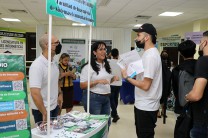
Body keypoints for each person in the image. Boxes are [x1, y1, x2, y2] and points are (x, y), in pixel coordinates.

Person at [121, 23, 162, 138]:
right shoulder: (148, 54)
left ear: (147, 37)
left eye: (138, 35)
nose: (136, 38)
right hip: (143, 104)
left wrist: (127, 78)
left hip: (146, 106)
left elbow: (145, 85)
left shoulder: (150, 56)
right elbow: (143, 78)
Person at [80, 41, 119, 126]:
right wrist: (97, 81)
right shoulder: (88, 67)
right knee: (95, 125)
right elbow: (82, 85)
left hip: (106, 98)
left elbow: (107, 82)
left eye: (104, 49)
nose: (104, 51)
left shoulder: (106, 65)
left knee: (107, 124)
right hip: (93, 98)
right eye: (100, 49)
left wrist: (113, 79)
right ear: (94, 52)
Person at [29, 34, 63, 123]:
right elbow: (35, 93)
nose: (59, 45)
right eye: (56, 43)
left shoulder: (54, 63)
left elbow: (56, 81)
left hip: (54, 106)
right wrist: (44, 113)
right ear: (47, 45)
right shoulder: (37, 65)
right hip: (42, 109)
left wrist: (60, 94)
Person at [185, 31, 208, 138]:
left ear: (205, 43)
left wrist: (188, 96)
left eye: (201, 41)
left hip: (203, 120)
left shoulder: (203, 61)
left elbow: (196, 95)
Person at [172, 40, 196, 118]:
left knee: (181, 127)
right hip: (199, 108)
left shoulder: (176, 70)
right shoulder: (201, 66)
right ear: (195, 51)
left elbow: (175, 89)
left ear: (180, 54)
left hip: (180, 106)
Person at [108, 48, 122, 123]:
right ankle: (114, 114)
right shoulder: (120, 62)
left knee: (111, 99)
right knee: (115, 99)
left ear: (111, 54)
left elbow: (105, 59)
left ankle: (115, 113)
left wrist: (109, 55)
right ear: (118, 54)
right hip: (119, 83)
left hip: (112, 82)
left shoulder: (109, 61)